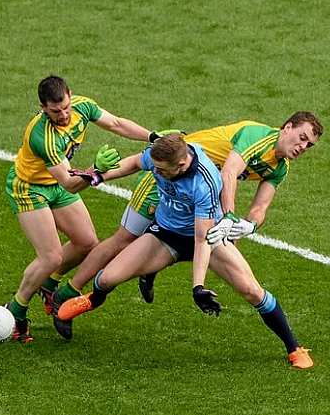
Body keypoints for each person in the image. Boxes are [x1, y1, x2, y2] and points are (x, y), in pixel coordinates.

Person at [53, 134, 313, 369]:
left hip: (207, 237)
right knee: (108, 278)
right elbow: (133, 163)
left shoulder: (204, 183)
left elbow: (201, 241)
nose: (155, 172)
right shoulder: (164, 153)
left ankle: (294, 348)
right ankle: (93, 299)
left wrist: (197, 287)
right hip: (166, 234)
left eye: (160, 170)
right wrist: (98, 176)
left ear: (181, 165)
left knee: (251, 290)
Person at [49, 112, 323, 311]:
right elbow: (229, 172)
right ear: (286, 127)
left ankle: (151, 267)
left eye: (308, 145)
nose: (302, 147)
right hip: (166, 176)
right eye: (301, 137)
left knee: (202, 239)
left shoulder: (279, 167)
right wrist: (228, 216)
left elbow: (261, 206)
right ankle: (68, 289)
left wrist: (250, 225)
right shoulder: (258, 138)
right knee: (123, 239)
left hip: (196, 192)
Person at [3, 75, 171, 343]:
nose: (63, 115)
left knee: (86, 242)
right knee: (51, 257)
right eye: (56, 111)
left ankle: (48, 284)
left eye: (66, 107)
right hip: (30, 188)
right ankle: (16, 312)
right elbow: (70, 184)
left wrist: (154, 137)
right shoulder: (42, 137)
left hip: (56, 183)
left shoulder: (83, 107)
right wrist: (97, 170)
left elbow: (116, 123)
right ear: (43, 108)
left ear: (71, 95)